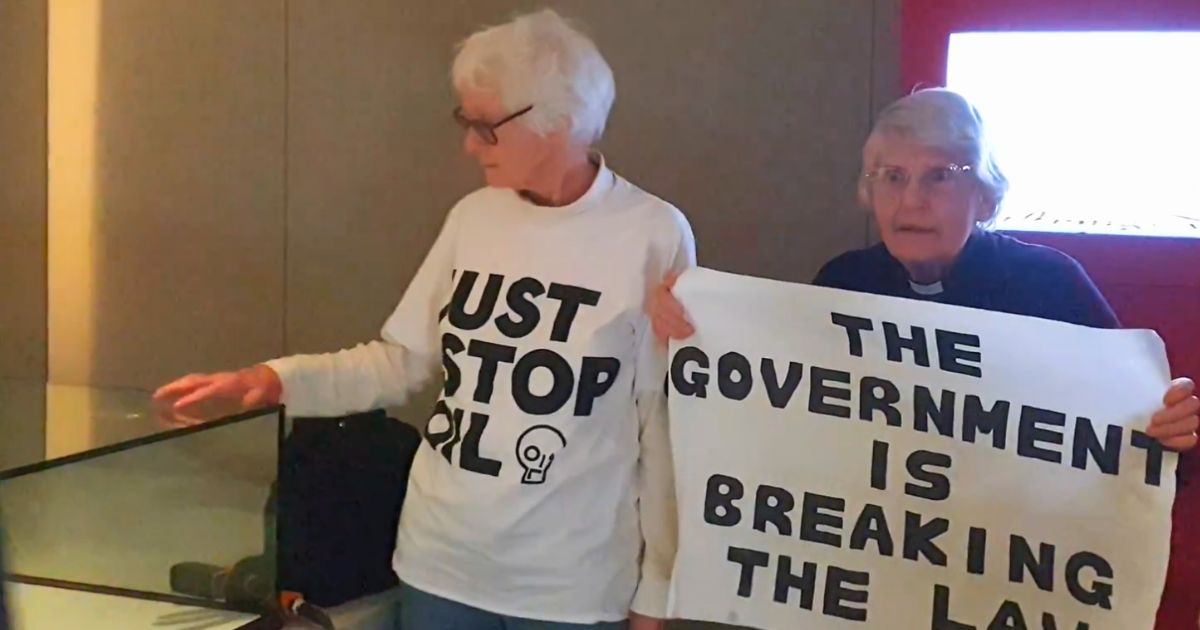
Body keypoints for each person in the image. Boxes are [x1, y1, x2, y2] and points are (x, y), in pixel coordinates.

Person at [156, 9, 693, 630]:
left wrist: (656, 593)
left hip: (568, 587)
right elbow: (399, 362)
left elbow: (663, 423)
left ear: (559, 121)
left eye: (485, 126)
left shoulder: (652, 232)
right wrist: (271, 381)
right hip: (439, 564)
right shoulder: (474, 218)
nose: (468, 144)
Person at [648, 87, 1200, 619]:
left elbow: (1138, 443)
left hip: (1001, 587)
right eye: (892, 177)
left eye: (940, 176)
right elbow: (778, 416)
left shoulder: (1049, 285)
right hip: (874, 583)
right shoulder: (845, 282)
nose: (912, 200)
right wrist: (692, 331)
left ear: (984, 194)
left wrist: (1174, 428)